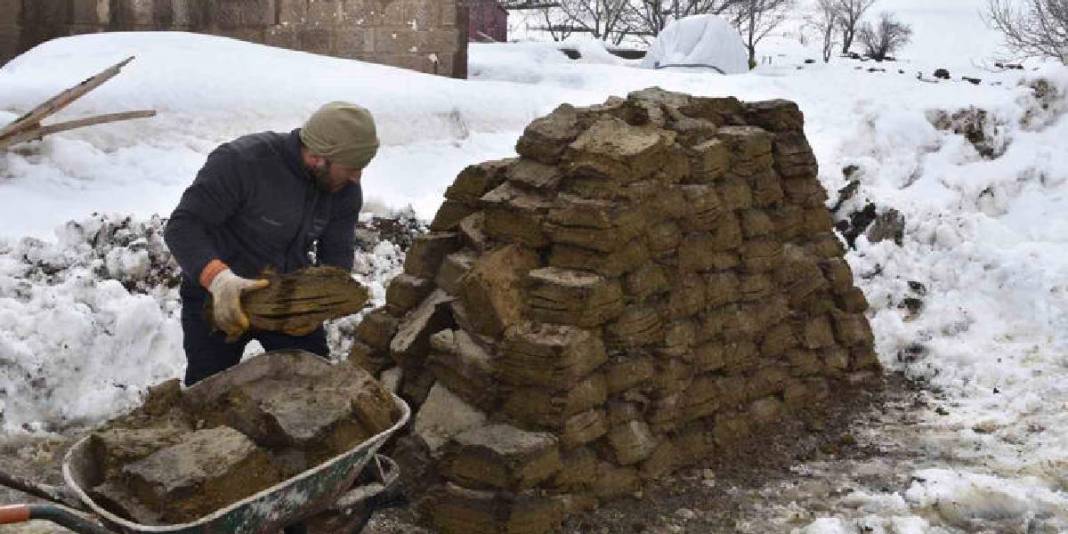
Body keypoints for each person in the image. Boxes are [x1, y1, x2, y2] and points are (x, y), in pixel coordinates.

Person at [164, 101, 379, 387]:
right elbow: (183, 226)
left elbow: (336, 253)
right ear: (318, 157)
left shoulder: (343, 189)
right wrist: (218, 279)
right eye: (351, 167)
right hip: (218, 295)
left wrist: (322, 300)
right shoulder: (242, 162)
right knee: (209, 390)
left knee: (314, 388)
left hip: (288, 300)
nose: (357, 177)